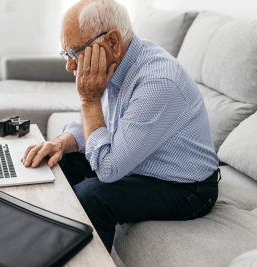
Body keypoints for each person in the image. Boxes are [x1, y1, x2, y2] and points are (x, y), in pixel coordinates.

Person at [21, 0, 220, 253]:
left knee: (92, 197)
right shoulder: (120, 62)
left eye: (74, 52)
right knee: (57, 160)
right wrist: (61, 142)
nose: (69, 66)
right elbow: (100, 124)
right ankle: (35, 244)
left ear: (112, 41)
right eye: (66, 54)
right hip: (138, 160)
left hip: (187, 188)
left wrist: (89, 98)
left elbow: (108, 169)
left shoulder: (157, 81)